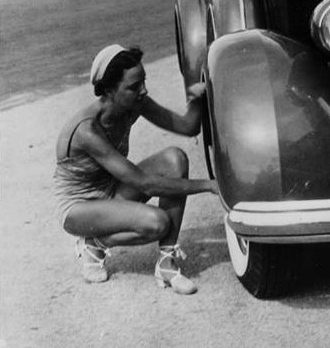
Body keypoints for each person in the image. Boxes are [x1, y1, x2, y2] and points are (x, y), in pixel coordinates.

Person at [54, 45, 218, 293]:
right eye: (133, 86)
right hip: (79, 208)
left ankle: (167, 262)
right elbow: (145, 184)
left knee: (175, 159)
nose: (143, 90)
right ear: (109, 90)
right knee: (157, 222)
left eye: (143, 81)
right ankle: (93, 241)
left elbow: (187, 127)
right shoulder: (87, 130)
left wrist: (197, 99)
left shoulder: (134, 103)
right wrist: (207, 185)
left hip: (111, 190)